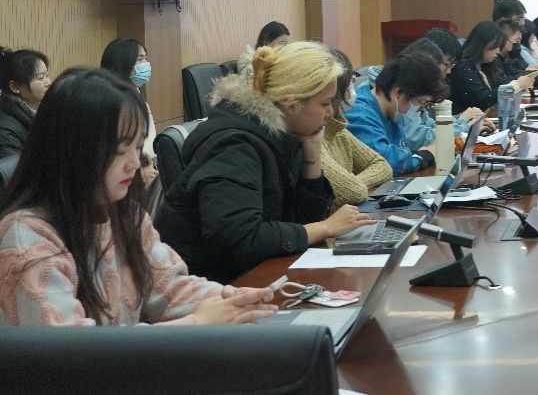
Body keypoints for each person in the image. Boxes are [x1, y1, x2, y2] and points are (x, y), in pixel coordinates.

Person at [0, 68, 276, 326]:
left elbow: (167, 285)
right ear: (72, 151)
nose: (134, 163)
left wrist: (227, 298)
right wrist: (196, 323)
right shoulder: (27, 238)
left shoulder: (124, 213)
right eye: (120, 151)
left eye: (137, 146)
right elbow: (70, 352)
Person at [154, 42, 373, 284]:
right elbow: (240, 238)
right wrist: (326, 228)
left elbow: (302, 220)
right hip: (207, 284)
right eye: (325, 103)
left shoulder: (283, 135)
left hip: (251, 273)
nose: (331, 112)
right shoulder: (233, 147)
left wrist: (312, 152)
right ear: (291, 104)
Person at [343, 52, 448, 176]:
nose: (419, 110)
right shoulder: (359, 113)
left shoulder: (392, 113)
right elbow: (385, 162)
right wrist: (423, 156)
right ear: (399, 93)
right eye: (420, 103)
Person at [322, 50, 392, 206]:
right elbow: (352, 193)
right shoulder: (313, 133)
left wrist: (352, 182)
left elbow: (383, 165)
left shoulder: (337, 127)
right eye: (350, 83)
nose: (353, 88)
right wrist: (352, 185)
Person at [100, 38, 160, 187]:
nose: (146, 64)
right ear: (122, 62)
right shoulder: (114, 101)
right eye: (140, 59)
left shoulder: (134, 93)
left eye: (146, 58)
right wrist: (141, 169)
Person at [449, 21, 534, 114]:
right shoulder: (463, 68)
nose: (498, 51)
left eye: (499, 47)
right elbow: (484, 99)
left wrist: (521, 82)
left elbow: (502, 81)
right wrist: (516, 85)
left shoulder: (487, 66)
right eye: (495, 47)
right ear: (482, 45)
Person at [0, 48, 51, 162]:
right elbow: (14, 171)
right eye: (40, 78)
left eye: (47, 75)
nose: (48, 82)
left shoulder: (46, 110)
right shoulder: (6, 132)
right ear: (15, 87)